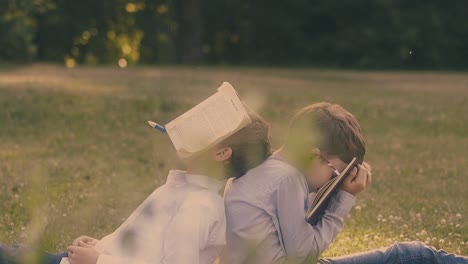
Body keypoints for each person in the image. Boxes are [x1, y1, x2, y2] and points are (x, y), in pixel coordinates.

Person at [0, 113, 272, 264]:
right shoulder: (183, 190)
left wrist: (98, 262)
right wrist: (100, 246)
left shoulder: (200, 207)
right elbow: (145, 248)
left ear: (222, 152)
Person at [222, 102, 468, 264]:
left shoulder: (268, 170)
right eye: (335, 174)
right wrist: (344, 200)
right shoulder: (288, 178)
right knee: (413, 256)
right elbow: (302, 253)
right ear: (314, 155)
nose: (331, 182)